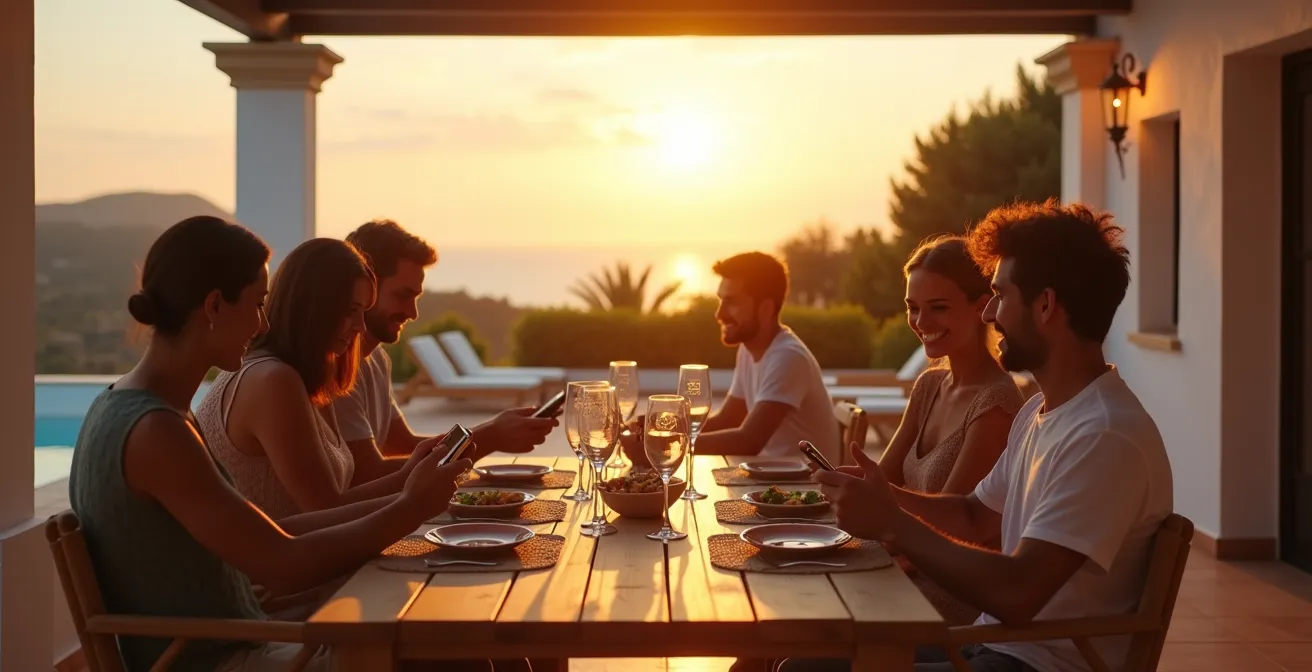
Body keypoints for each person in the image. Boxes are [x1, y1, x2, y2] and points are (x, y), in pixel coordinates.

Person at [784, 201, 1174, 672]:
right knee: (800, 657)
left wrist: (892, 523)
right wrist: (884, 496)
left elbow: (1018, 593)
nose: (988, 313)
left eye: (999, 295)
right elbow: (971, 515)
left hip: (1035, 663)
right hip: (993, 647)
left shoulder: (1105, 437)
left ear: (1046, 305)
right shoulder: (1041, 412)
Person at [69, 216, 469, 672]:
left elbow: (278, 534)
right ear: (215, 306)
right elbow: (283, 565)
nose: (263, 321)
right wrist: (409, 508)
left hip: (237, 638)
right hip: (226, 655)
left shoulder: (126, 406)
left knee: (455, 643)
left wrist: (408, 490)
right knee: (449, 650)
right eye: (258, 304)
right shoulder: (157, 432)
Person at [197, 238, 427, 520]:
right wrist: (413, 484)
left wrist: (416, 473)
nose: (360, 326)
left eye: (363, 312)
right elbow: (326, 512)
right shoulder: (271, 380)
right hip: (272, 564)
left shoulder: (310, 379)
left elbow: (334, 503)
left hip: (312, 557)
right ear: (313, 307)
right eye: (350, 310)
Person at [879, 235, 1026, 625]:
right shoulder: (929, 385)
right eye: (913, 309)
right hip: (904, 571)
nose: (922, 323)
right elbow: (883, 478)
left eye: (938, 308)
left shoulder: (996, 404)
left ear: (982, 307)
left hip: (949, 598)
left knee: (797, 640)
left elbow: (955, 529)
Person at [333, 219, 556, 467]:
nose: (412, 312)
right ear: (366, 288)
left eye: (416, 297)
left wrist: (491, 433)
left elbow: (403, 444)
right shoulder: (338, 369)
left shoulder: (376, 358)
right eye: (402, 295)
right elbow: (368, 473)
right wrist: (490, 437)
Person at [627, 251, 841, 466]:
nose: (719, 314)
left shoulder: (788, 357)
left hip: (808, 490)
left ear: (765, 309)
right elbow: (728, 419)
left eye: (732, 302)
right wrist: (666, 427)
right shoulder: (749, 350)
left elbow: (749, 441)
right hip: (773, 480)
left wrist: (666, 446)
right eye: (721, 301)